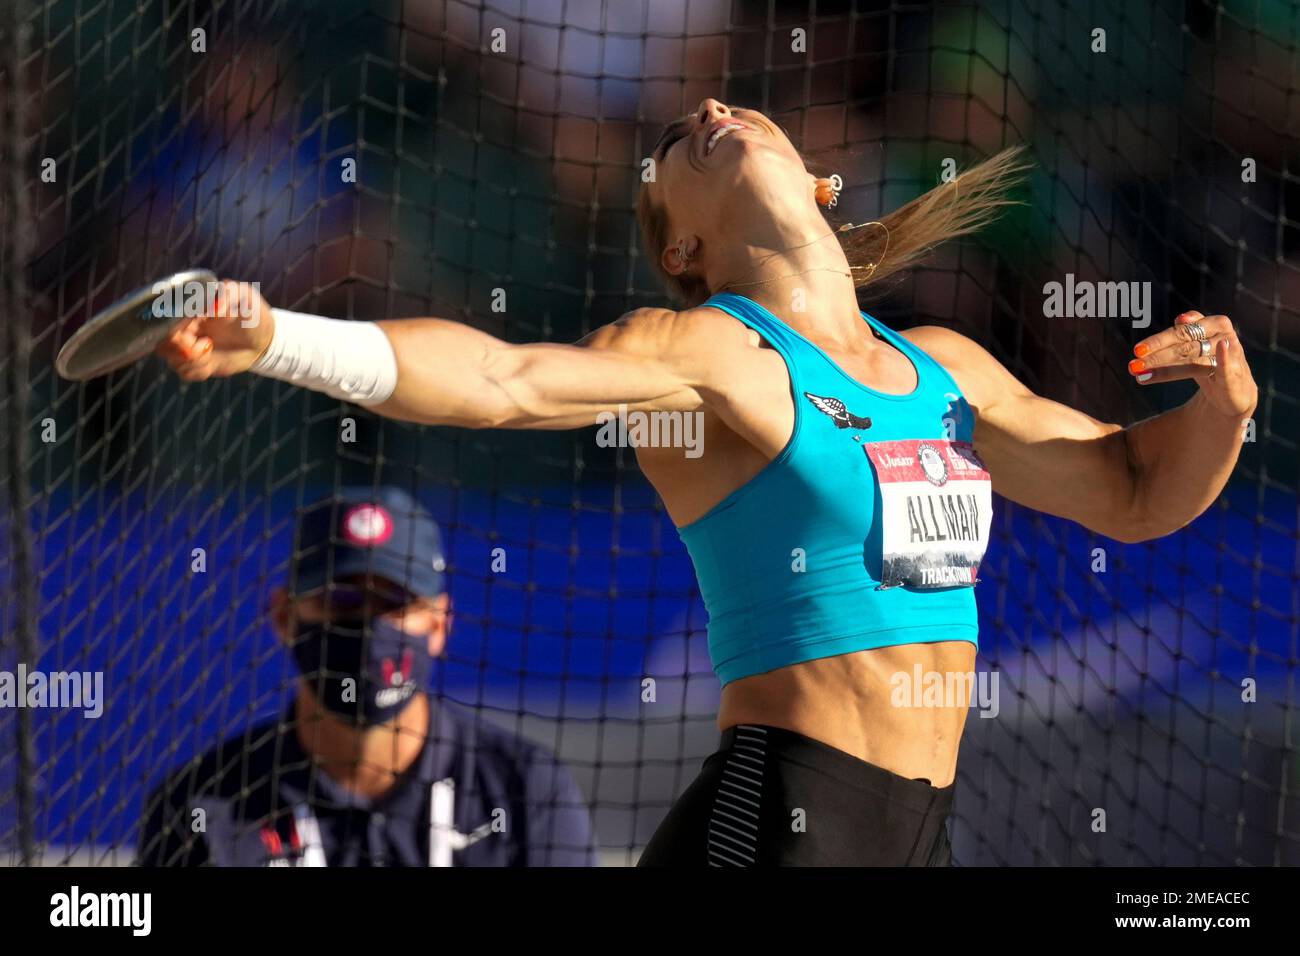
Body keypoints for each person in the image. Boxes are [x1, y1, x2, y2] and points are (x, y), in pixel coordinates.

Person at [153, 99, 1257, 866]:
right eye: (681, 142)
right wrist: (279, 337)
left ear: (820, 180)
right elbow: (503, 377)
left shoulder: (944, 368)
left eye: (734, 117)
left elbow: (1134, 490)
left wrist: (1224, 407)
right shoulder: (703, 348)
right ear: (681, 248)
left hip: (920, 827)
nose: (713, 109)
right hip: (786, 812)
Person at [138, 486, 598, 866]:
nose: (368, 626)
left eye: (394, 604)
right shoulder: (203, 806)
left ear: (438, 626)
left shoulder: (525, 791)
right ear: (284, 617)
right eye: (341, 600)